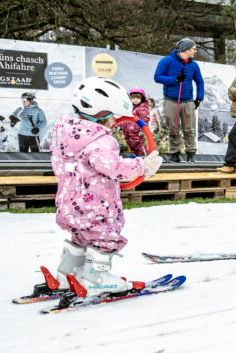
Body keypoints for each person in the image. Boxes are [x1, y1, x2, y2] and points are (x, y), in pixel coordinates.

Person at [46, 77, 162, 296]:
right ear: (102, 114)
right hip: (95, 205)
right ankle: (95, 278)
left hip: (68, 203)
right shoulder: (100, 141)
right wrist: (143, 165)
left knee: (80, 236)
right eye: (113, 118)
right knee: (102, 238)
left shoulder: (64, 133)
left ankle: (66, 274)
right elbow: (115, 167)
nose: (114, 123)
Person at [154, 38, 204, 162]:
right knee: (173, 129)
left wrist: (199, 98)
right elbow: (157, 77)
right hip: (171, 100)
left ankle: (191, 155)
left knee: (189, 129)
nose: (195, 51)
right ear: (186, 49)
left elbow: (200, 82)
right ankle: (174, 155)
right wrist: (175, 79)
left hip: (187, 101)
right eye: (193, 49)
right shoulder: (167, 61)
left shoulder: (193, 64)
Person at [122, 88, 152, 156]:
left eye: (138, 98)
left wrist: (142, 129)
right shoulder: (130, 108)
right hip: (128, 133)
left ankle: (145, 157)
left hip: (137, 133)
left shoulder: (142, 109)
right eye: (133, 98)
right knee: (132, 146)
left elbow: (145, 120)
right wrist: (122, 126)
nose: (135, 100)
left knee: (139, 146)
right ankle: (135, 159)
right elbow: (125, 119)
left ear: (142, 99)